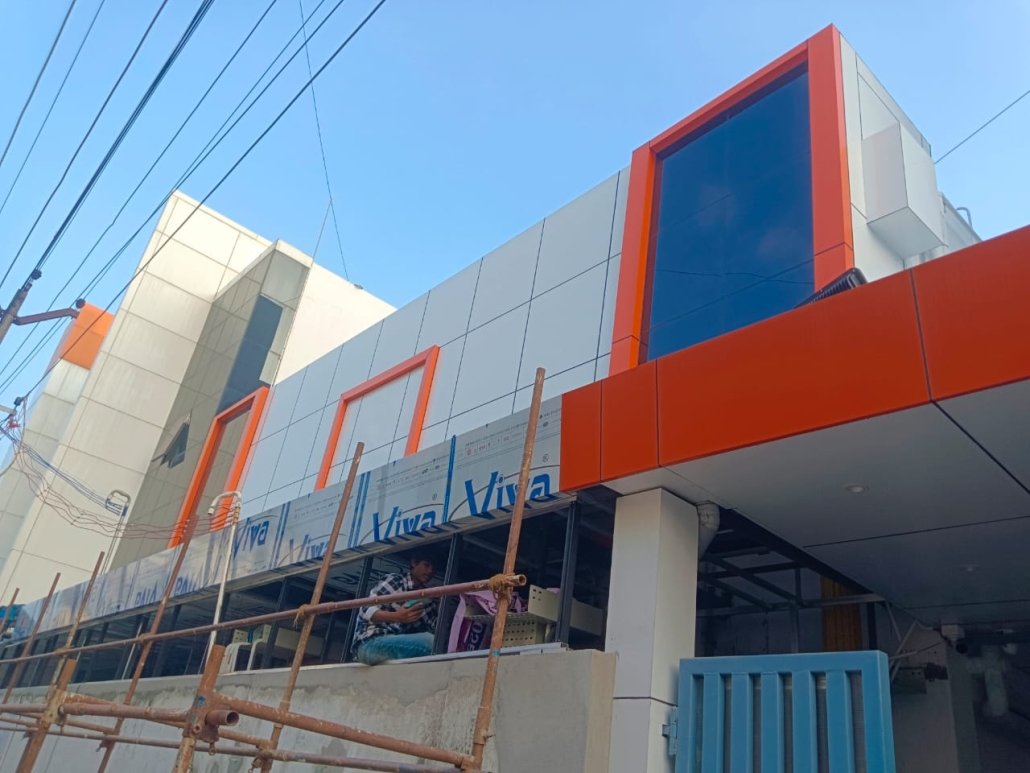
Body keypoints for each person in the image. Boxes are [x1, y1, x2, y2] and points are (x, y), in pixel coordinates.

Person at [352, 550, 439, 665]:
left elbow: (435, 627)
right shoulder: (396, 581)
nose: (430, 571)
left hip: (393, 644)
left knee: (439, 644)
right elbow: (365, 610)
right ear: (414, 563)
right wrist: (397, 616)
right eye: (426, 565)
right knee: (430, 642)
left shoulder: (425, 597)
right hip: (370, 643)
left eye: (434, 569)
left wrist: (442, 601)